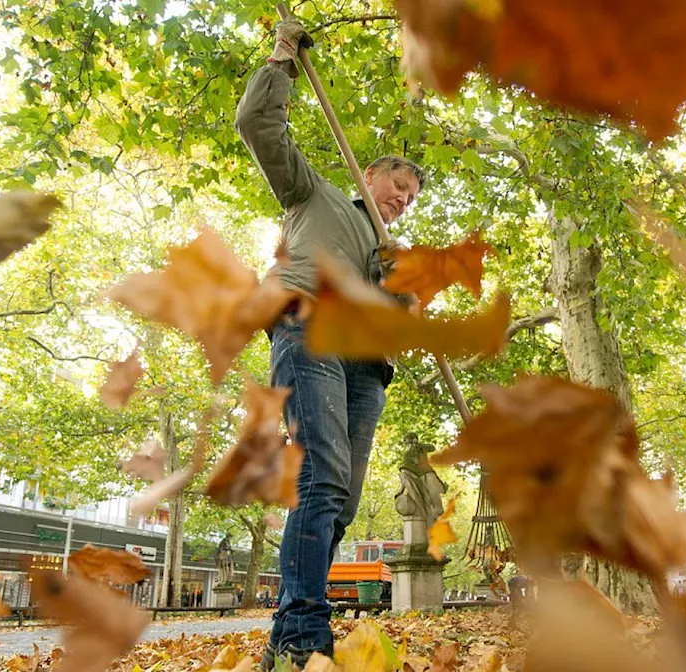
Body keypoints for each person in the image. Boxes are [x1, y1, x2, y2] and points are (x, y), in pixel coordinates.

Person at [235, 17, 427, 671]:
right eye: (396, 188)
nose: (401, 201)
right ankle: (297, 636)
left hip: (367, 368)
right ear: (369, 176)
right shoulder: (315, 195)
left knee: (340, 495)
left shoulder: (392, 255)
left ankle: (298, 615)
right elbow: (259, 128)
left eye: (409, 199)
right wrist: (282, 60)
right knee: (320, 474)